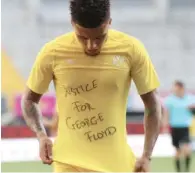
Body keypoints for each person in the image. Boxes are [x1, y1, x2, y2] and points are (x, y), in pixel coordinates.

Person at [21, 0, 162, 172]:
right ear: (73, 24)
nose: (91, 45)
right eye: (82, 37)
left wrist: (147, 155)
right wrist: (41, 135)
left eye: (99, 37)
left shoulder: (131, 49)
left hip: (117, 164)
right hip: (68, 163)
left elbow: (153, 105)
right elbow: (29, 99)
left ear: (109, 22)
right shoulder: (52, 52)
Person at [163, 81, 194, 172]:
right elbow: (167, 113)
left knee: (187, 150)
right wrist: (165, 125)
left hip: (185, 127)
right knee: (177, 151)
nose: (174, 90)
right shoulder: (170, 100)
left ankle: (187, 170)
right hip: (175, 127)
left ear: (181, 88)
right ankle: (179, 171)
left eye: (175, 88)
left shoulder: (190, 99)